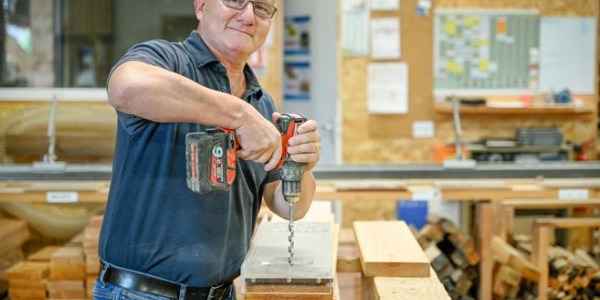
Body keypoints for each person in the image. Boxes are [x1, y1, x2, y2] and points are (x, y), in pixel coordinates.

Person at [93, 0, 321, 299]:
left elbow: (290, 206)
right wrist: (238, 115)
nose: (249, 15)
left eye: (263, 8)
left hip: (222, 292)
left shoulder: (262, 104)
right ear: (201, 6)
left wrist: (300, 165)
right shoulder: (167, 60)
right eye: (236, 1)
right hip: (142, 293)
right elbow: (125, 86)